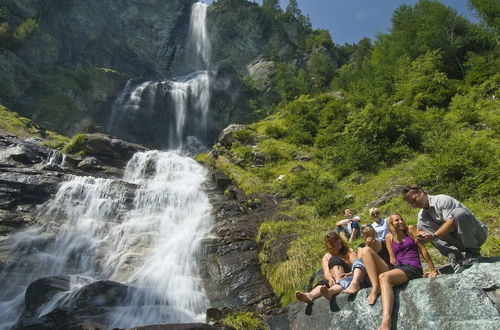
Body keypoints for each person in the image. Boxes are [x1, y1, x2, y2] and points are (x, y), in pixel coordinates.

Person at [402, 186, 488, 273]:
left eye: (414, 199)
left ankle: (473, 251)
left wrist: (434, 236)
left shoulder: (443, 200)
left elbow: (451, 223)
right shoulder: (422, 215)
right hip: (458, 240)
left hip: (477, 235)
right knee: (421, 224)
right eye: (411, 203)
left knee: (459, 213)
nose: (414, 204)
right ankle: (454, 255)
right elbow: (421, 230)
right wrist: (421, 236)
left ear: (421, 192)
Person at [374, 214, 437, 330]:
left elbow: (423, 250)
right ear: (391, 224)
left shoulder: (410, 230)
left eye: (401, 219)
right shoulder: (389, 238)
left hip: (413, 267)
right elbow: (392, 259)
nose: (401, 222)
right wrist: (394, 274)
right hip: (399, 268)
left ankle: (386, 322)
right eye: (396, 220)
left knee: (384, 277)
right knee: (384, 277)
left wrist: (432, 269)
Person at [295, 231, 368, 304]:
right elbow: (326, 273)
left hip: (348, 276)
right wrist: (330, 278)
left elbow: (357, 265)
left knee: (334, 259)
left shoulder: (349, 251)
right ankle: (310, 296)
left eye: (337, 239)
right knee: (323, 283)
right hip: (335, 279)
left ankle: (336, 286)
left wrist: (350, 273)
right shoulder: (327, 256)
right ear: (330, 245)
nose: (337, 242)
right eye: (333, 242)